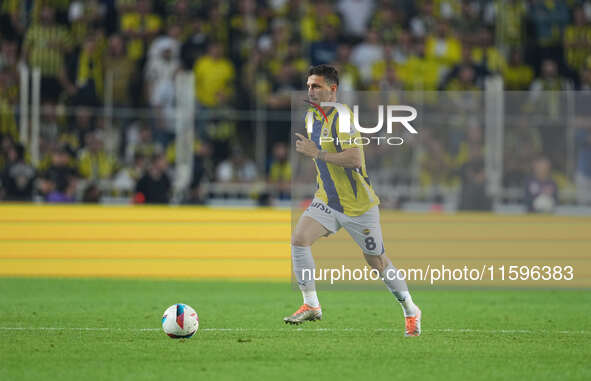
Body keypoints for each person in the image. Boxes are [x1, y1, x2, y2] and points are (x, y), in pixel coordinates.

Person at [286, 65, 421, 336]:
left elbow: (354, 158)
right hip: (326, 199)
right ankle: (311, 305)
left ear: (332, 90)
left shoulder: (343, 116)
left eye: (317, 86)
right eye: (309, 85)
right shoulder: (313, 117)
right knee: (299, 240)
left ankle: (410, 309)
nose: (310, 91)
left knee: (377, 261)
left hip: (359, 207)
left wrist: (317, 154)